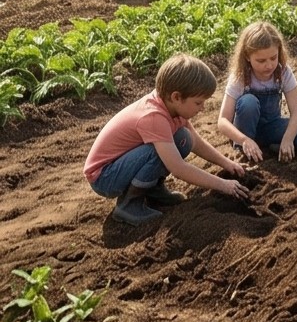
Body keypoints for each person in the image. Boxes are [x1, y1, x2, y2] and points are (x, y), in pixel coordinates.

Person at [83, 54, 249, 226]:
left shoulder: (170, 106)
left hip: (120, 166)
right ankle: (129, 204)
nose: (203, 108)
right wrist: (223, 185)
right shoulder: (154, 117)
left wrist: (227, 164)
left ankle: (153, 190)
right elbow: (177, 168)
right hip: (105, 177)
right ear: (176, 97)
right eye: (198, 103)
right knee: (158, 151)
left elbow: (195, 142)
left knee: (183, 138)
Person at [217, 21, 297, 163]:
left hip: (270, 126)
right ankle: (244, 149)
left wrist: (287, 140)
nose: (269, 65)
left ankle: (270, 146)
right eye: (261, 61)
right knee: (248, 101)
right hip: (244, 131)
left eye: (273, 58)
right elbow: (223, 121)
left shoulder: (283, 72)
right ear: (247, 57)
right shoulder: (240, 77)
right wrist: (243, 139)